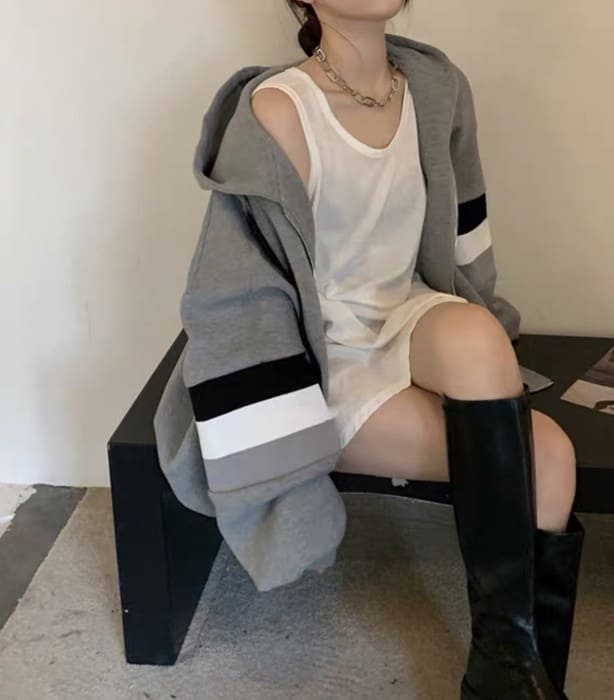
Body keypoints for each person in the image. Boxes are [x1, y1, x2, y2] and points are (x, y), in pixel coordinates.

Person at [155, 2, 585, 698]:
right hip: (320, 352)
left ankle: (506, 674)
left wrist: (493, 335)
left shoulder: (436, 88)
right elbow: (241, 292)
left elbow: (463, 223)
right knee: (551, 459)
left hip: (407, 311)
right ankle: (514, 681)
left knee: (479, 336)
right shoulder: (279, 110)